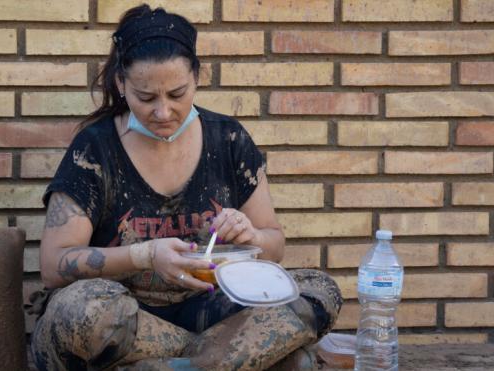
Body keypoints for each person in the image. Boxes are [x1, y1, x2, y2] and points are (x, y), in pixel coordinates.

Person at [29, 5, 342, 370]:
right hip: (127, 315)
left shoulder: (228, 139)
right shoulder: (94, 149)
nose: (163, 112)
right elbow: (53, 266)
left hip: (210, 308)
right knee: (79, 310)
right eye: (146, 98)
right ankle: (237, 359)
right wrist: (145, 256)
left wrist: (250, 235)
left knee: (317, 291)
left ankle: (175, 365)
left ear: (196, 77)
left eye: (177, 94)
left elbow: (273, 248)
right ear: (121, 84)